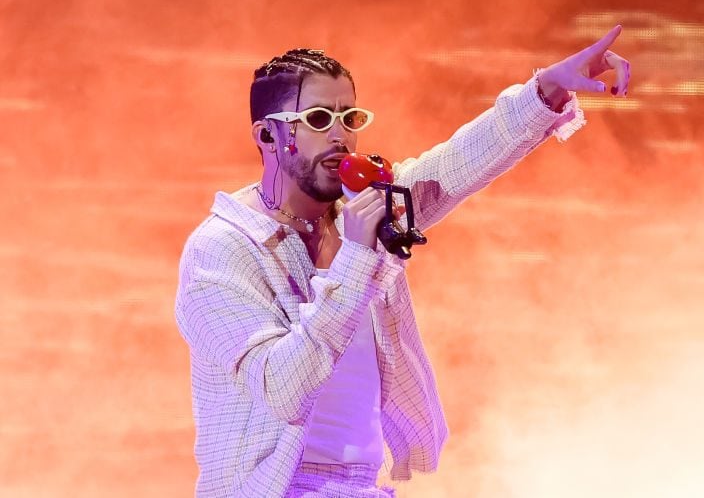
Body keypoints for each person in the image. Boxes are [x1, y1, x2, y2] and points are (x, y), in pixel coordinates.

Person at [175, 25, 631, 498]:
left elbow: (453, 168)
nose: (339, 135)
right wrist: (356, 258)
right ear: (268, 135)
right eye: (317, 118)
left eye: (349, 117)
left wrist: (547, 89)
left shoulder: (359, 213)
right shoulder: (223, 250)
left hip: (361, 486)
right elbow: (283, 389)